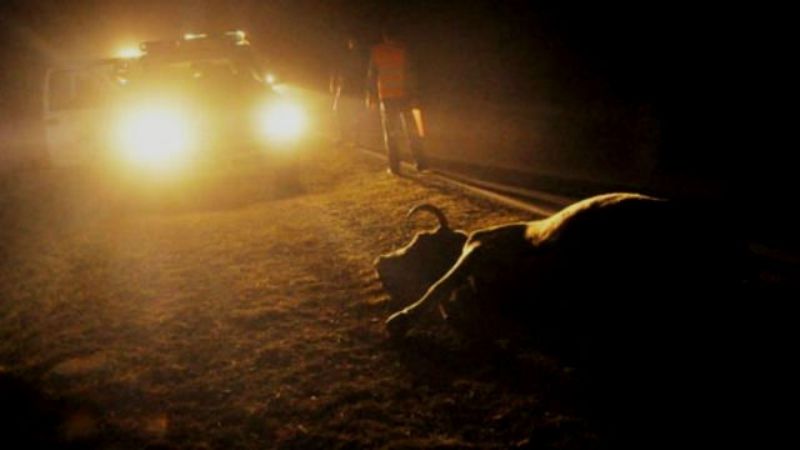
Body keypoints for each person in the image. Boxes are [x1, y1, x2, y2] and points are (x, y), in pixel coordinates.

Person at [367, 28, 428, 175]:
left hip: (387, 98)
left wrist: (371, 96)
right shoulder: (402, 51)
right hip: (404, 96)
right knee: (411, 130)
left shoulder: (377, 51)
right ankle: (420, 163)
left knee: (391, 133)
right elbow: (412, 74)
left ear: (384, 37)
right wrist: (415, 96)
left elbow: (372, 75)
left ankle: (394, 167)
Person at [329, 36, 367, 146]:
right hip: (346, 87)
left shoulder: (360, 57)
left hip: (354, 87)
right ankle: (346, 136)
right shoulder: (346, 56)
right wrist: (333, 82)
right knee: (342, 111)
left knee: (355, 113)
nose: (352, 44)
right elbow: (336, 69)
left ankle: (355, 138)